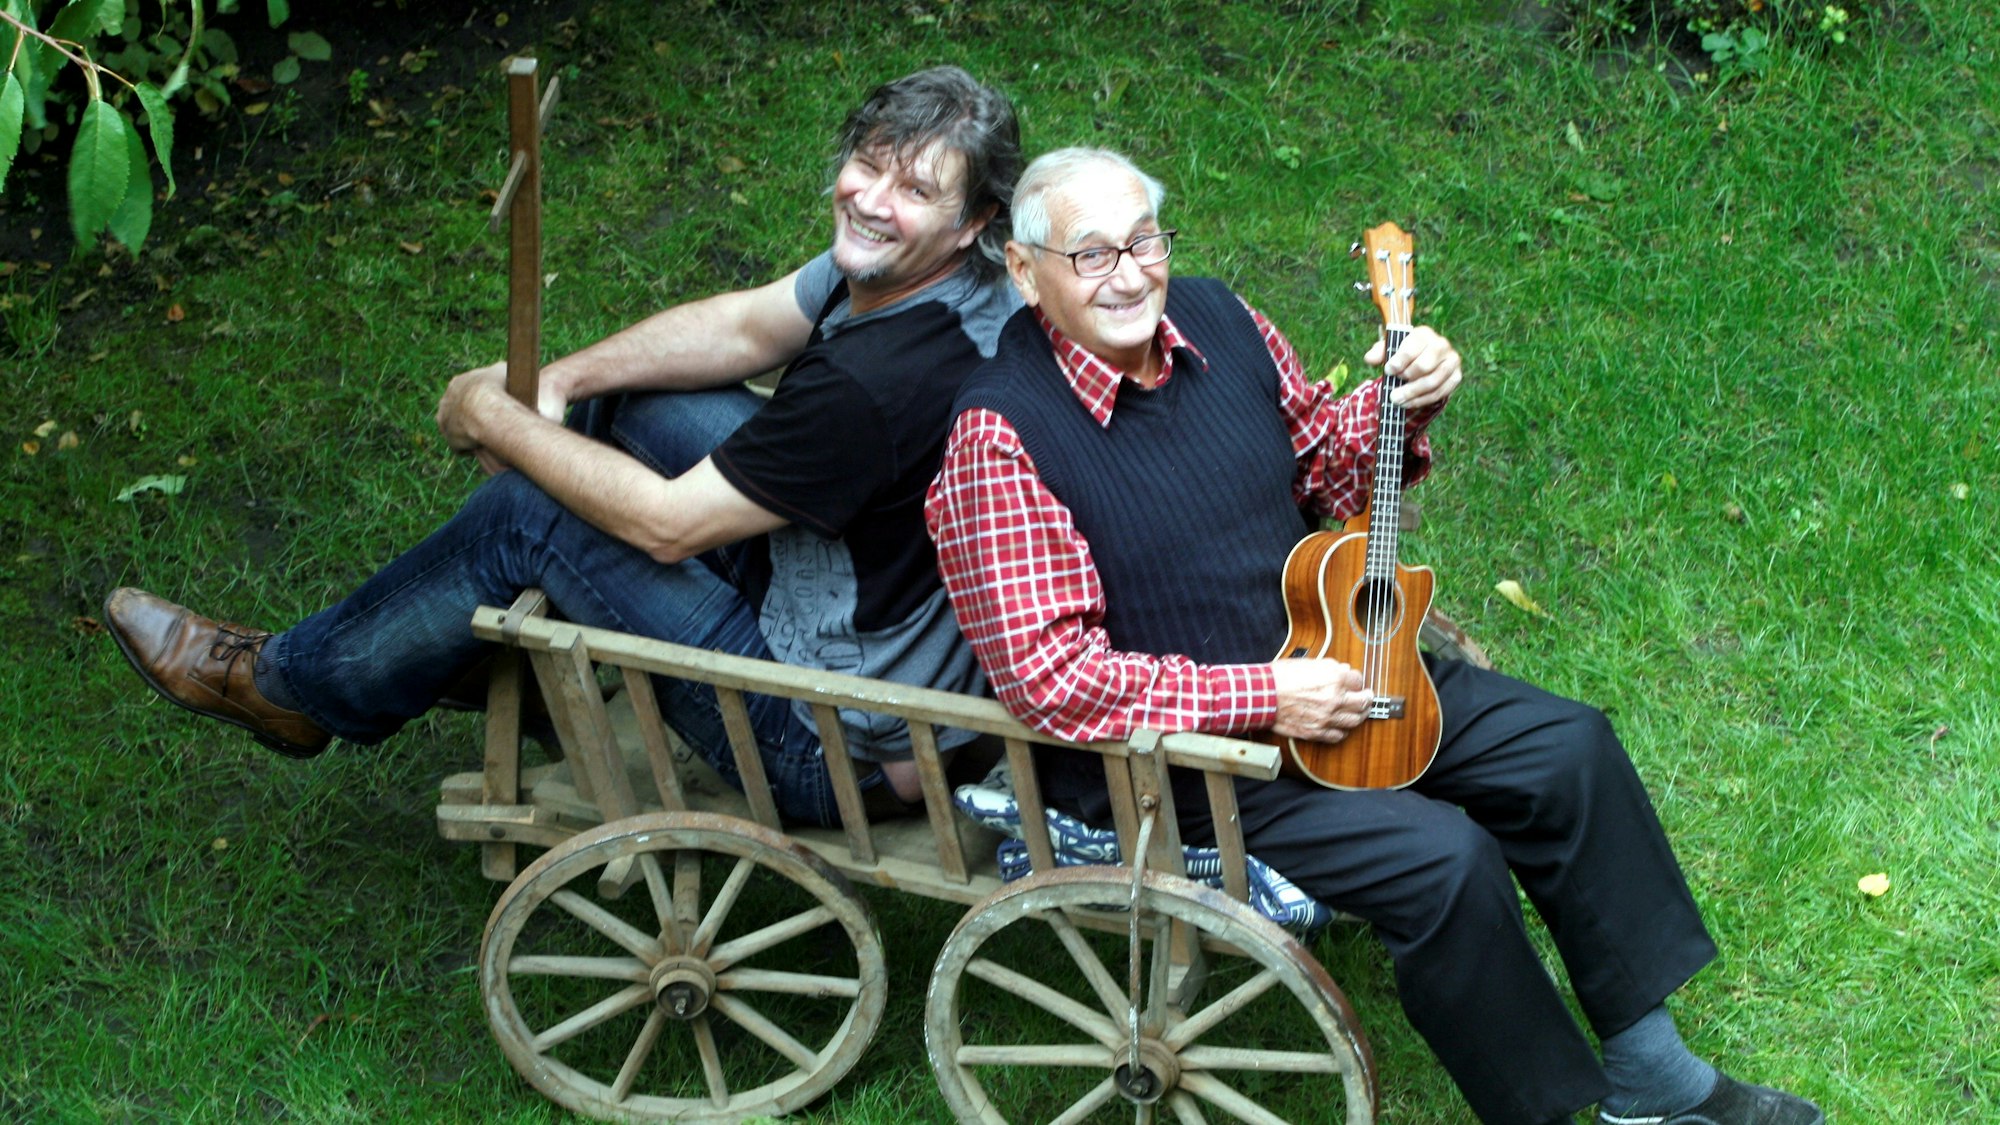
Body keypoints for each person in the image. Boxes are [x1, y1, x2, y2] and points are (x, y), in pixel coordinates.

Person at [924, 147, 1821, 1125]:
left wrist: (1399, 403)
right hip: (1195, 767)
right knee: (1445, 862)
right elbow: (1048, 678)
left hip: (1342, 659)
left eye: (1143, 241)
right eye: (1091, 255)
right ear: (1024, 272)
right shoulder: (998, 437)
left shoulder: (1219, 320)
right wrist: (1264, 698)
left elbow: (1322, 475)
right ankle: (1549, 1112)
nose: (1130, 273)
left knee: (1565, 748)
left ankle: (1653, 1077)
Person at [105, 65, 1022, 828]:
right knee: (629, 398)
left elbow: (667, 527)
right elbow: (748, 327)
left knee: (525, 519)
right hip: (868, 599)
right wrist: (563, 383)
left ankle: (292, 688)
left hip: (834, 737)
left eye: (916, 190)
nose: (872, 201)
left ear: (973, 220)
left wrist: (497, 415)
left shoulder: (872, 387)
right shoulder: (944, 282)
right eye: (869, 165)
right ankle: (492, 652)